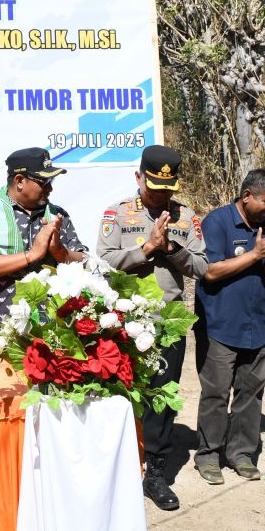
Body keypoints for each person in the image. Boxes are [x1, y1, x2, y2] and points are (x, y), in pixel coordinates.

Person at [96, 145, 208, 510]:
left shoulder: (186, 217)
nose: (161, 195)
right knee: (119, 395)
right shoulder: (117, 213)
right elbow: (104, 262)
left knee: (161, 399)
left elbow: (203, 267)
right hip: (123, 323)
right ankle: (116, 467)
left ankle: (155, 474)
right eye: (154, 186)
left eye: (167, 188)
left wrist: (171, 249)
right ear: (138, 177)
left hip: (167, 322)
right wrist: (146, 248)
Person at [193, 169, 265, 485]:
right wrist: (256, 253)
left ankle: (241, 454)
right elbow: (210, 271)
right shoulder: (217, 222)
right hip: (219, 324)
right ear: (246, 196)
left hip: (254, 323)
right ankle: (208, 455)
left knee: (251, 392)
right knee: (215, 394)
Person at [0, 147, 88, 333]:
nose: (50, 188)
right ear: (20, 181)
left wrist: (61, 252)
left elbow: (85, 261)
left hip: (53, 331)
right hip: (1, 331)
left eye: (51, 181)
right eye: (45, 182)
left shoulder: (58, 215)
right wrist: (31, 254)